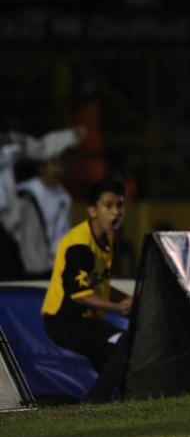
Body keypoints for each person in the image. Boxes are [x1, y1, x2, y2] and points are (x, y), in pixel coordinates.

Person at [40, 177, 133, 396]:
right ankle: (95, 402)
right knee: (126, 341)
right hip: (65, 322)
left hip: (87, 321)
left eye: (120, 205)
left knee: (115, 351)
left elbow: (98, 284)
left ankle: (121, 399)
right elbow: (80, 294)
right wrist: (118, 307)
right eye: (108, 206)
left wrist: (127, 299)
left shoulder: (107, 239)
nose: (116, 212)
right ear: (93, 210)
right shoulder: (80, 246)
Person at [16, 155, 73, 277]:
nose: (59, 170)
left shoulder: (64, 197)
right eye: (54, 164)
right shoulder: (23, 192)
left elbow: (62, 233)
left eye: (62, 165)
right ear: (40, 167)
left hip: (49, 267)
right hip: (21, 266)